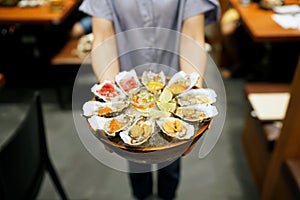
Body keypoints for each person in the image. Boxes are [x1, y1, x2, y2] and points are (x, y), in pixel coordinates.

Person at [78, 1, 220, 199]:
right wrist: (111, 101)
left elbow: (192, 36)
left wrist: (194, 94)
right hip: (126, 89)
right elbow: (103, 37)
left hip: (173, 90)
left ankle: (168, 195)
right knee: (134, 156)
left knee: (171, 156)